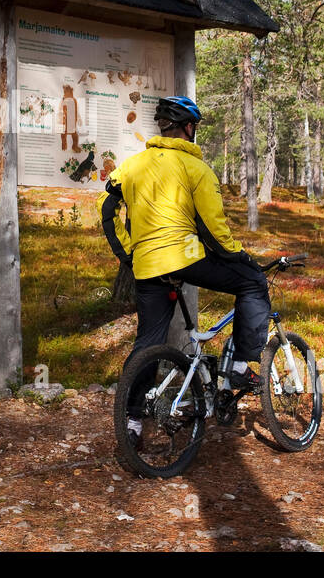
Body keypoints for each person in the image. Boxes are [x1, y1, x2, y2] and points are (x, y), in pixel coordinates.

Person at [98, 96, 271, 448]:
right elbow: (213, 227)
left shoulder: (133, 165)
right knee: (252, 283)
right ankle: (240, 365)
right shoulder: (197, 170)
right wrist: (241, 257)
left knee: (148, 342)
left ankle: (131, 420)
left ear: (163, 128)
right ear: (189, 128)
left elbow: (108, 206)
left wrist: (128, 254)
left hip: (146, 264)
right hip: (185, 258)